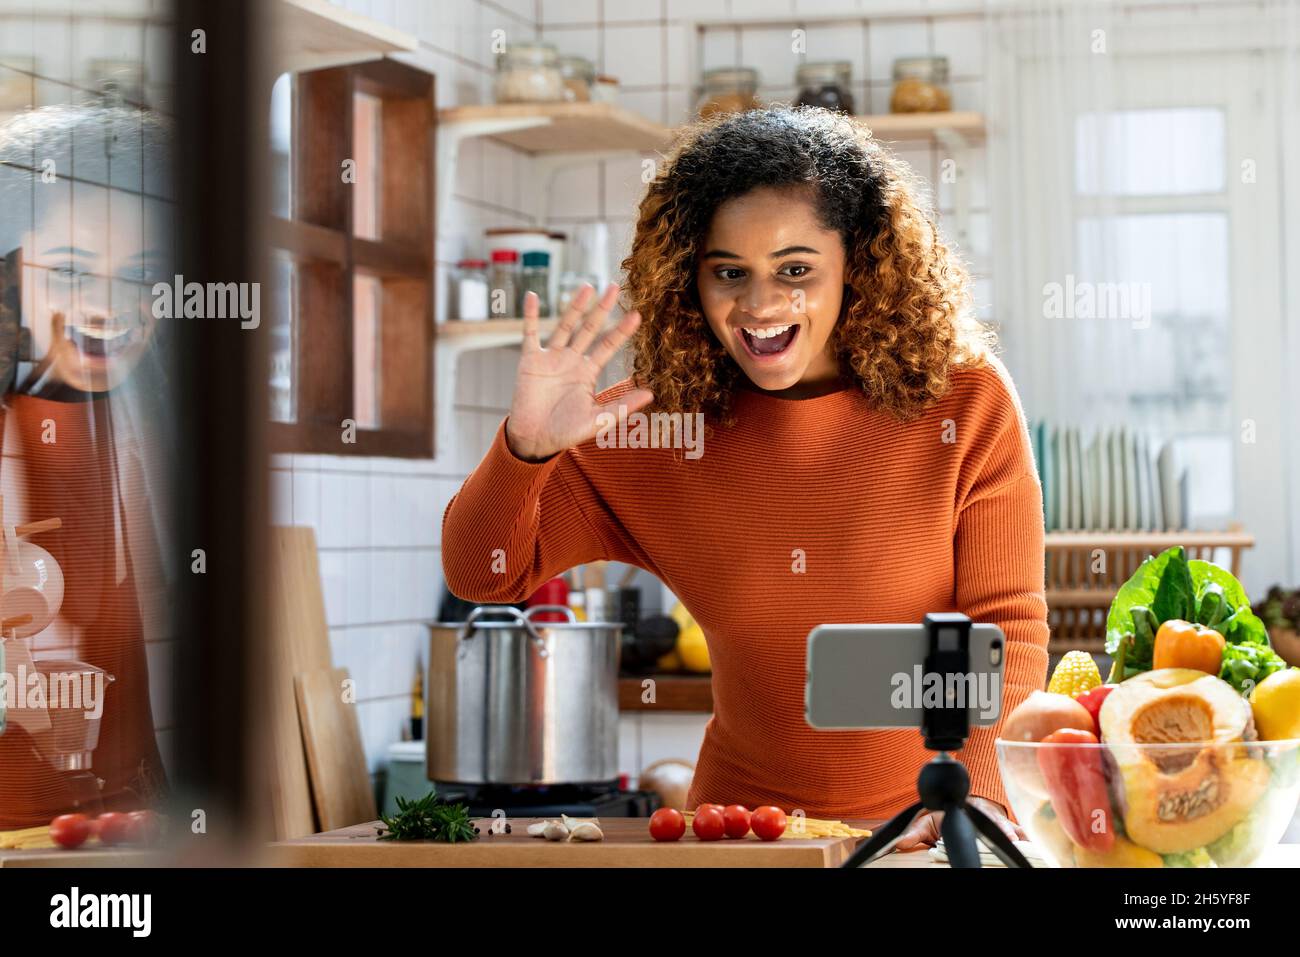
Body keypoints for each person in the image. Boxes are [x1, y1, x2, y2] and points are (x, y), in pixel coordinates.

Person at [442, 107, 1049, 848]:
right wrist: (524, 450)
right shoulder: (661, 426)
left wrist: (976, 806)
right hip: (741, 837)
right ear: (688, 280)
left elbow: (1006, 628)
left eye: (795, 270)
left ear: (856, 264)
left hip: (924, 832)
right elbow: (483, 573)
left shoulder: (964, 400)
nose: (760, 305)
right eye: (729, 272)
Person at [0, 102, 172, 827]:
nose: (107, 307)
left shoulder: (154, 423)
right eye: (71, 271)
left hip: (125, 829)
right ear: (12, 275)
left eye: (138, 277)